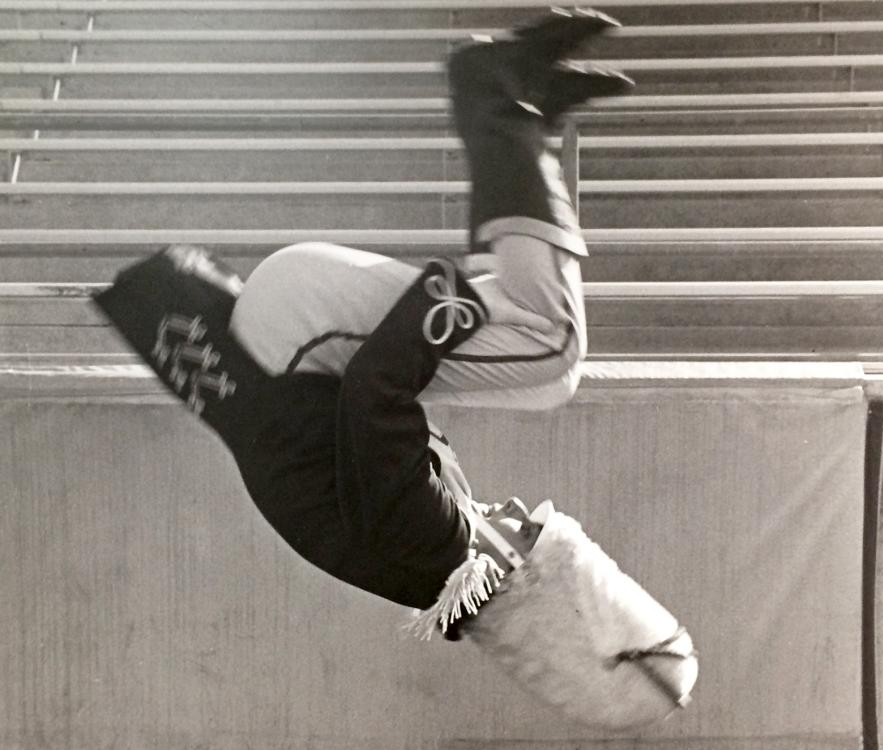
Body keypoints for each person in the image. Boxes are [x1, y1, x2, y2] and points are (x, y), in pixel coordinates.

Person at [95, 8, 698, 726]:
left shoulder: (435, 549)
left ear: (539, 597)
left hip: (301, 330)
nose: (513, 510)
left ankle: (498, 100)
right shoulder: (427, 565)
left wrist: (440, 301)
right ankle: (520, 116)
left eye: (529, 533)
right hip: (291, 337)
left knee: (552, 353)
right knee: (531, 333)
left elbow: (374, 395)